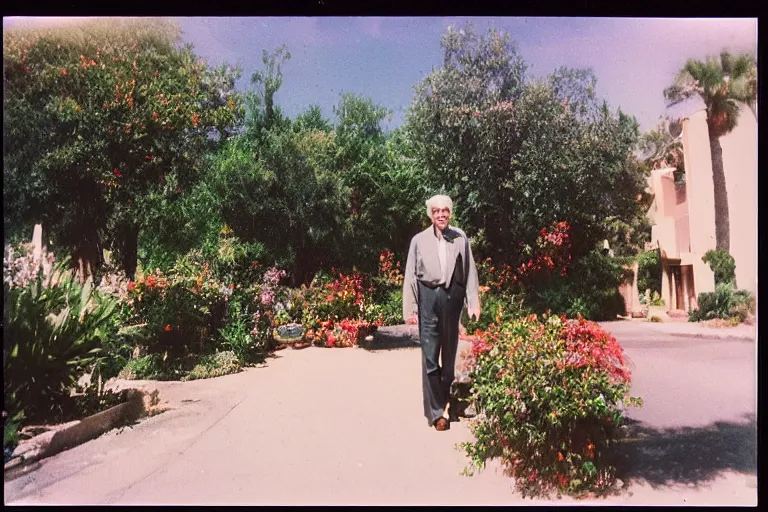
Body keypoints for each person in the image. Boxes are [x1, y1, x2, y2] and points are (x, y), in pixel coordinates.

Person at [403, 194, 480, 431]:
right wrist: (410, 307)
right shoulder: (419, 240)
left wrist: (472, 300)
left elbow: (469, 271)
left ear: (450, 212)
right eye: (436, 211)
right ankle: (438, 413)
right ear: (430, 214)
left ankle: (445, 404)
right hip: (428, 298)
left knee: (449, 359)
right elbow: (410, 275)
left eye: (445, 211)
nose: (441, 215)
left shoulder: (460, 237)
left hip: (452, 298)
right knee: (429, 357)